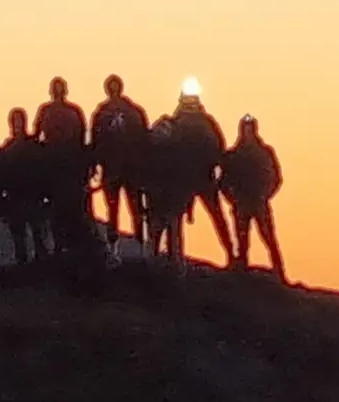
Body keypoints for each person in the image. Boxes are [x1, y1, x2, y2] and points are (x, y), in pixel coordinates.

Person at [171, 83, 235, 265]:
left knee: (182, 217)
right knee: (214, 217)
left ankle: (177, 256)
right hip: (196, 177)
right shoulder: (204, 122)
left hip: (194, 178)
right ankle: (230, 254)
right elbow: (219, 147)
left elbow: (218, 148)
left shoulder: (182, 122)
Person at [89, 75, 149, 258]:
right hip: (112, 170)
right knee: (113, 210)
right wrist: (95, 165)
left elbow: (143, 140)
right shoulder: (103, 113)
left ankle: (141, 249)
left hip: (131, 170)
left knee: (135, 209)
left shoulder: (132, 111)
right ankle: (114, 250)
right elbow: (96, 141)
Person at [221, 115, 287, 280]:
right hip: (241, 203)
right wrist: (233, 198)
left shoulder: (264, 152)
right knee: (242, 241)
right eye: (245, 128)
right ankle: (242, 272)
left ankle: (280, 274)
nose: (247, 132)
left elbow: (276, 177)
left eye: (250, 128)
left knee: (269, 239)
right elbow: (223, 181)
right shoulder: (233, 155)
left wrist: (265, 195)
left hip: (259, 202)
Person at [33, 77, 91, 252]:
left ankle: (76, 249)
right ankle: (59, 248)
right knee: (56, 214)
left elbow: (82, 140)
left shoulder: (74, 112)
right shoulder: (45, 111)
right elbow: (37, 136)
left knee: (75, 212)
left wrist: (84, 169)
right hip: (53, 170)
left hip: (71, 170)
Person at [0, 108, 49, 265]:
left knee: (37, 232)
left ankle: (41, 260)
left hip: (33, 195)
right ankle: (23, 263)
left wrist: (45, 193)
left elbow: (43, 170)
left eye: (20, 121)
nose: (18, 124)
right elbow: (1, 173)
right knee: (19, 236)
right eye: (15, 121)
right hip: (15, 197)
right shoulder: (7, 148)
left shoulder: (34, 146)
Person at [143, 115, 192, 270]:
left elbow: (181, 180)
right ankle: (162, 264)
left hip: (169, 203)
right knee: (159, 236)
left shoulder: (172, 155)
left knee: (171, 238)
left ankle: (172, 264)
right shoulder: (156, 155)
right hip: (161, 203)